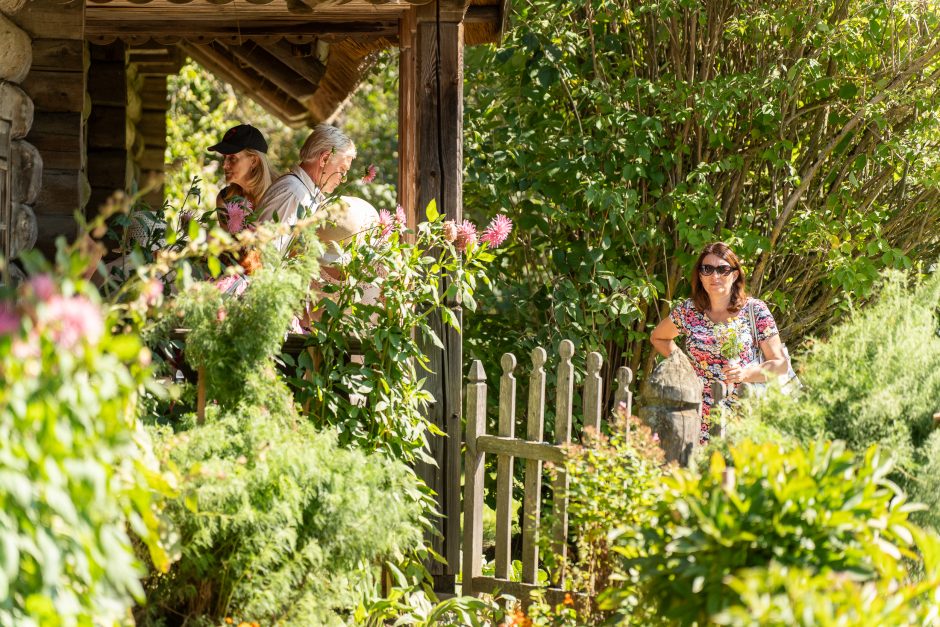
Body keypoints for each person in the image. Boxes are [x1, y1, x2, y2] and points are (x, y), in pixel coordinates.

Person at [650, 242, 788, 440]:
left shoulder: (755, 310)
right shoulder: (688, 311)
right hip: (695, 413)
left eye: (723, 269)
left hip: (744, 414)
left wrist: (745, 373)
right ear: (699, 275)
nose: (715, 276)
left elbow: (780, 364)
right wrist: (687, 365)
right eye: (707, 269)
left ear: (735, 274)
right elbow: (658, 337)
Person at [257, 124, 356, 253]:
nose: (343, 179)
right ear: (324, 159)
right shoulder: (294, 192)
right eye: (342, 169)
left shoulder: (303, 191)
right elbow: (265, 253)